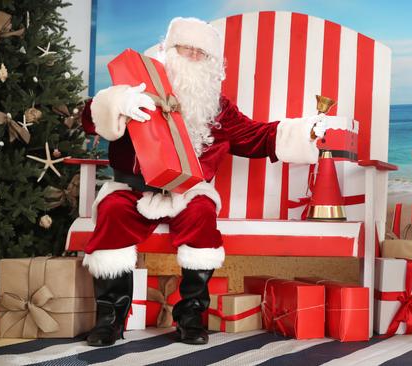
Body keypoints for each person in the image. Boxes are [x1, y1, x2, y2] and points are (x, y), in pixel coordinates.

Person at [80, 17, 328, 347]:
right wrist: (117, 105)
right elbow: (88, 119)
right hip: (132, 189)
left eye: (202, 53)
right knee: (111, 210)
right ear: (169, 51)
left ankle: (191, 314)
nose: (194, 57)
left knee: (201, 214)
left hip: (188, 192)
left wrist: (305, 131)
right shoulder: (135, 91)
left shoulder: (218, 109)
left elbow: (256, 136)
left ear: (212, 63)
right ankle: (110, 318)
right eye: (187, 49)